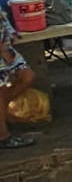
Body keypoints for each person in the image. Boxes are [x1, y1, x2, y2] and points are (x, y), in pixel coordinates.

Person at [0, 9, 37, 148]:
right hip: (2, 51)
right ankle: (4, 136)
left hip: (7, 47)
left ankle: (2, 111)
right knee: (0, 93)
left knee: (28, 76)